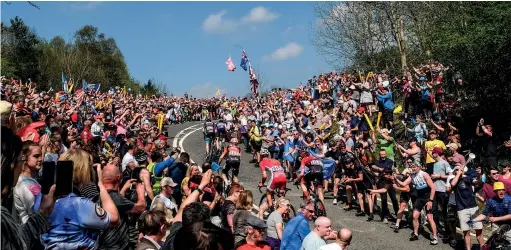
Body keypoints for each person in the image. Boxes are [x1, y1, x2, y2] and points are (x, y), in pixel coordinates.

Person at [98, 163, 147, 250]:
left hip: (102, 244)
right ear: (119, 177)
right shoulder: (115, 197)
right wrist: (141, 193)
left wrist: (124, 189)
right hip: (117, 246)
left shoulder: (99, 195)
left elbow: (118, 205)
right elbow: (140, 208)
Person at [394, 163, 438, 245]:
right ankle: (415, 234)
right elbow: (404, 184)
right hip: (420, 198)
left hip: (428, 198)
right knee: (415, 216)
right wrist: (395, 179)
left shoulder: (424, 174)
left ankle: (435, 237)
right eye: (412, 167)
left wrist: (430, 201)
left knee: (429, 217)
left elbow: (433, 188)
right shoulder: (412, 176)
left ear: (419, 167)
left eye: (414, 167)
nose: (413, 168)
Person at [449, 164, 484, 250]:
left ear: (464, 171)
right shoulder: (452, 180)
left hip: (473, 207)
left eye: (460, 169)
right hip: (462, 209)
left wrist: (479, 175)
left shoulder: (467, 179)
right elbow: (453, 184)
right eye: (456, 170)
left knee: (479, 230)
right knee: (466, 232)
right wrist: (458, 173)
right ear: (454, 172)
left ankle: (483, 248)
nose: (459, 171)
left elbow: (478, 182)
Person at [12, 141, 43, 224]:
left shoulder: (32, 178)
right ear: (24, 157)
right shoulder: (22, 183)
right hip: (30, 230)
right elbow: (34, 211)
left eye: (41, 155)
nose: (41, 159)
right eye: (36, 156)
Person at [257, 148, 287, 219]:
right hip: (283, 176)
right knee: (281, 196)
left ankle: (271, 210)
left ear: (261, 156)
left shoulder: (262, 162)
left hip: (275, 177)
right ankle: (285, 210)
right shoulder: (276, 160)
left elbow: (264, 176)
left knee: (268, 192)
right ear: (268, 155)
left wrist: (262, 183)